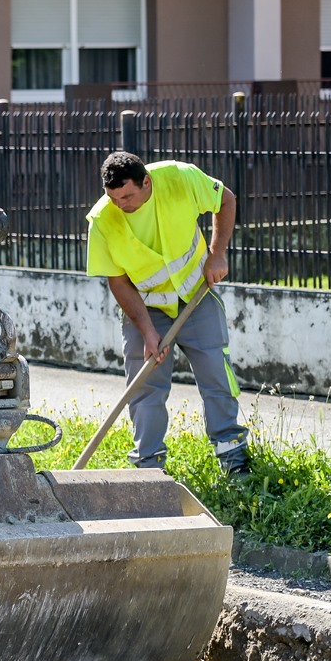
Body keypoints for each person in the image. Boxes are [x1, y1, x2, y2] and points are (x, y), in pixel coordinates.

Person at [86, 151, 250, 475]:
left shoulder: (179, 178)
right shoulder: (103, 220)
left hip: (196, 298)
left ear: (146, 182)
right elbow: (118, 282)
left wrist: (217, 255)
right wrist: (147, 330)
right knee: (145, 385)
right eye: (113, 198)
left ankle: (233, 458)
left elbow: (226, 200)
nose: (121, 205)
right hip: (145, 309)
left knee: (217, 373)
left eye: (128, 196)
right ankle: (148, 470)